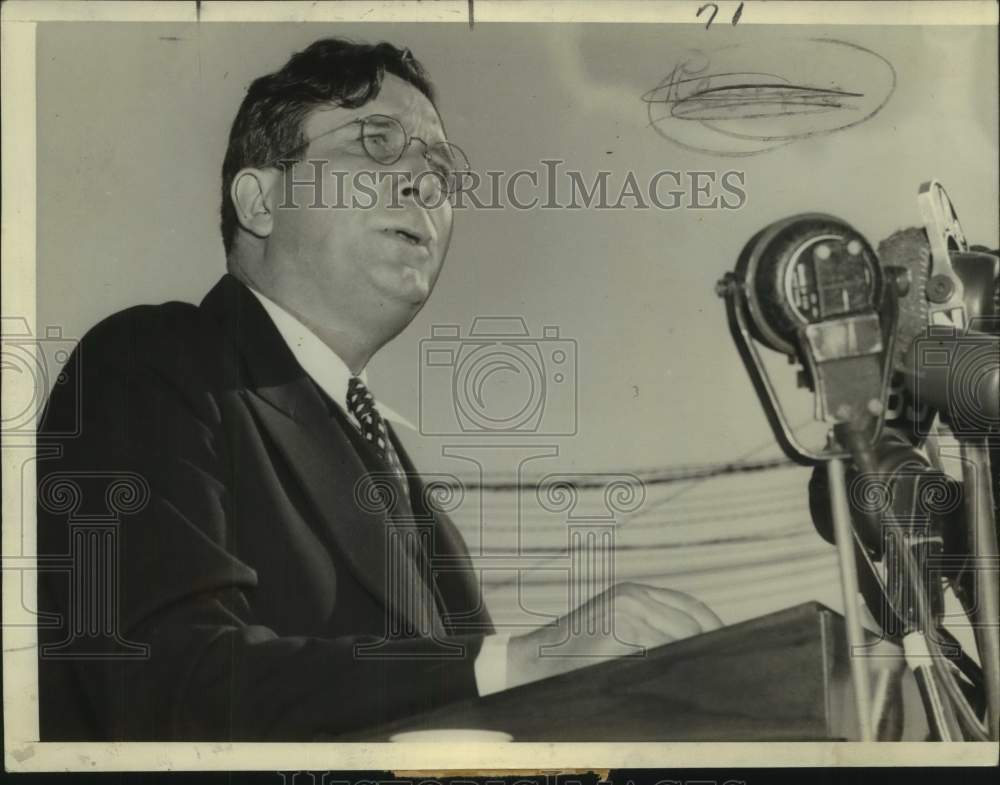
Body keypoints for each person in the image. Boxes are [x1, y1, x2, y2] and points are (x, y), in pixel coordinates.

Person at [36, 38, 721, 742]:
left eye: (441, 168)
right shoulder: (152, 364)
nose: (426, 181)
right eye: (376, 142)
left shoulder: (421, 510)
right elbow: (167, 684)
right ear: (260, 200)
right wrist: (516, 661)